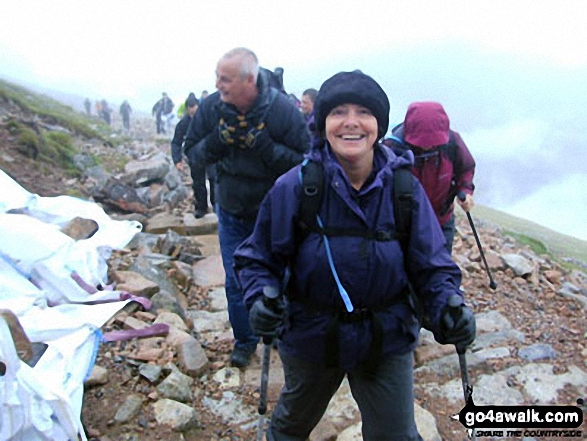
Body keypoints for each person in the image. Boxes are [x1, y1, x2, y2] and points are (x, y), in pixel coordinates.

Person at [233, 70, 476, 440]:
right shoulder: (296, 187)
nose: (351, 122)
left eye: (364, 111)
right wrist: (259, 299)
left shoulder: (404, 190)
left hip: (385, 339)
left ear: (379, 123)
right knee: (290, 427)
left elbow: (433, 266)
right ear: (323, 123)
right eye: (338, 112)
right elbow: (257, 258)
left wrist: (448, 307)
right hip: (311, 336)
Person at [184, 47, 310, 367]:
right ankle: (245, 341)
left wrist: (265, 147)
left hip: (275, 213)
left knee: (281, 275)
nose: (218, 84)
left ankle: (281, 331)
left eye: (225, 79)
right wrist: (219, 141)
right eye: (217, 77)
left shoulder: (282, 111)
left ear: (249, 80)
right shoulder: (212, 108)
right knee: (236, 279)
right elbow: (193, 153)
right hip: (231, 210)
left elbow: (307, 163)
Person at [387, 102, 476, 253]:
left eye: (433, 142)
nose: (427, 146)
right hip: (404, 225)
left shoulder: (453, 143)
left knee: (441, 268)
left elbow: (465, 168)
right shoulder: (393, 148)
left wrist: (466, 192)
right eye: (421, 142)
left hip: (441, 221)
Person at [171, 93, 216, 213]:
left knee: (213, 179)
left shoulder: (208, 118)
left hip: (211, 154)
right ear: (187, 110)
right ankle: (201, 207)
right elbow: (176, 142)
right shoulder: (183, 124)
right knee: (198, 182)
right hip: (194, 155)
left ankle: (216, 205)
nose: (193, 114)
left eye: (195, 110)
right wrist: (177, 160)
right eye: (190, 111)